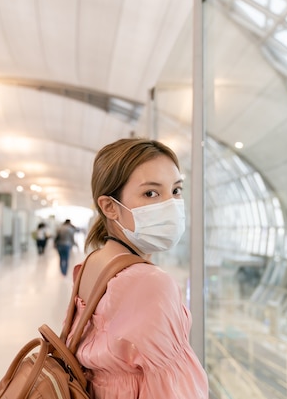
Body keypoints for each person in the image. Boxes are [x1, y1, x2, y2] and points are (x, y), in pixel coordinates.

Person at [65, 138, 208, 399]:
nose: (171, 205)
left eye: (176, 191)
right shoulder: (150, 282)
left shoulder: (91, 264)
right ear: (110, 207)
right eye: (151, 193)